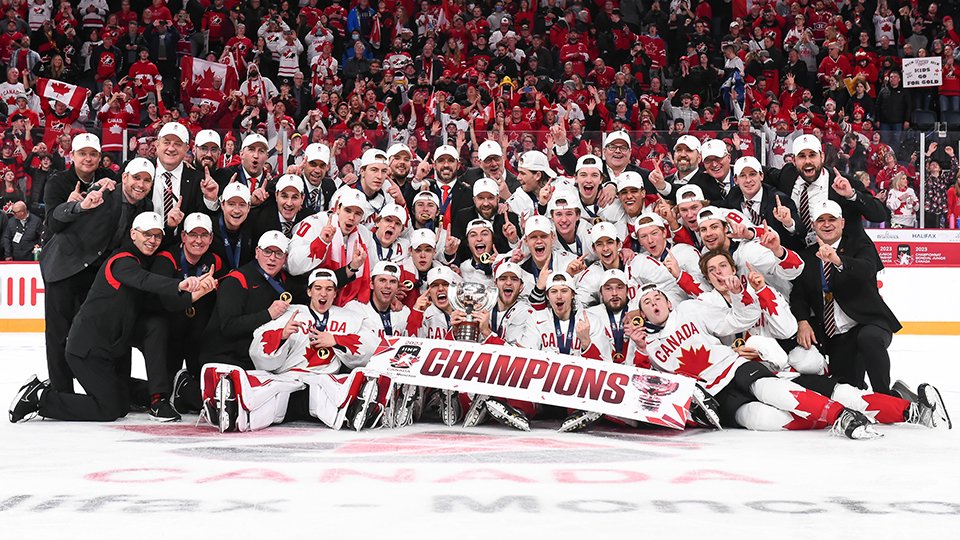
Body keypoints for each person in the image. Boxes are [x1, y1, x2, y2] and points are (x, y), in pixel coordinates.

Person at [10, 212, 216, 423]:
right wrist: (178, 284)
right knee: (109, 409)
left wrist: (197, 293)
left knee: (154, 328)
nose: (152, 240)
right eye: (147, 234)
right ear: (133, 234)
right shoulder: (121, 260)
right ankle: (39, 397)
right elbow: (144, 280)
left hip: (112, 348)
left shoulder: (143, 261)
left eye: (157, 236)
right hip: (87, 351)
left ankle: (161, 394)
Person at [199, 268, 382, 433]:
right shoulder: (290, 313)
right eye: (318, 288)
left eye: (328, 289)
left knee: (336, 388)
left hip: (323, 377)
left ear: (335, 293)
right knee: (268, 389)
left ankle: (354, 412)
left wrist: (337, 340)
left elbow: (371, 346)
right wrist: (282, 335)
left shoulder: (350, 317)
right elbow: (258, 346)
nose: (323, 293)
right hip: (287, 377)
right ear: (309, 291)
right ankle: (233, 411)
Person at [39, 155, 154, 393]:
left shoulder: (146, 207)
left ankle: (114, 388)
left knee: (103, 329)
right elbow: (57, 217)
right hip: (66, 266)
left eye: (146, 180)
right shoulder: (104, 190)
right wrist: (80, 206)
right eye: (136, 178)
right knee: (59, 333)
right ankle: (61, 394)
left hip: (97, 273)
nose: (140, 184)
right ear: (124, 178)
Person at [789, 200, 902, 395]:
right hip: (838, 334)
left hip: (868, 322)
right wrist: (802, 321)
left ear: (842, 223)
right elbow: (799, 295)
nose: (826, 224)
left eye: (832, 219)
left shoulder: (860, 245)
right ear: (814, 225)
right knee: (848, 387)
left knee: (869, 338)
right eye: (821, 220)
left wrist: (838, 260)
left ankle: (884, 394)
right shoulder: (807, 256)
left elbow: (866, 269)